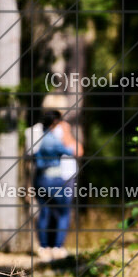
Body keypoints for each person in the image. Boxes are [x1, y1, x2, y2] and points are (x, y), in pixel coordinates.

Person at [31, 109, 83, 260]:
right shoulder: (52, 139)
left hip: (40, 178)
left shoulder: (37, 135)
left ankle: (43, 247)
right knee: (63, 213)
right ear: (55, 122)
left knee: (44, 212)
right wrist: (67, 133)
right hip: (55, 180)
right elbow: (73, 151)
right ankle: (57, 248)